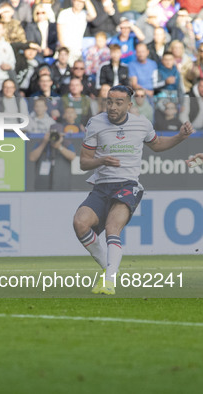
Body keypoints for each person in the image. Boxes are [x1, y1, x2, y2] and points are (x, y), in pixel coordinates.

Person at [72, 85, 194, 295]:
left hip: (128, 184)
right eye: (109, 101)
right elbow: (84, 162)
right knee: (80, 224)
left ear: (129, 105)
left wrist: (180, 137)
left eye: (119, 103)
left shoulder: (142, 124)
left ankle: (109, 281)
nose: (112, 107)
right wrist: (101, 161)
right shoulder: (95, 123)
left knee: (112, 227)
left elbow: (156, 145)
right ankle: (108, 268)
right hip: (101, 186)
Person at [28, 123, 76, 190]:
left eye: (57, 135)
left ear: (62, 135)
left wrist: (59, 146)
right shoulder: (42, 142)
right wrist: (44, 142)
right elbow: (32, 158)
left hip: (62, 183)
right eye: (53, 134)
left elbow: (72, 157)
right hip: (43, 184)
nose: (54, 137)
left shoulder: (67, 143)